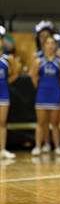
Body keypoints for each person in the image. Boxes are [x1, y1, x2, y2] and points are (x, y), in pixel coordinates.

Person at [30, 36, 60, 156]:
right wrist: (40, 87)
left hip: (55, 95)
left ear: (55, 46)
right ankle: (37, 146)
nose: (50, 45)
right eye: (48, 43)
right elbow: (34, 76)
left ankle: (57, 147)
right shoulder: (38, 61)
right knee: (41, 122)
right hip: (42, 95)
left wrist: (56, 87)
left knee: (55, 123)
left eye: (52, 43)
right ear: (44, 46)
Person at [0, 26, 18, 159]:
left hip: (3, 95)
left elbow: (15, 74)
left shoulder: (8, 59)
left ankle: (2, 149)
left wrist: (6, 82)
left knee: (2, 122)